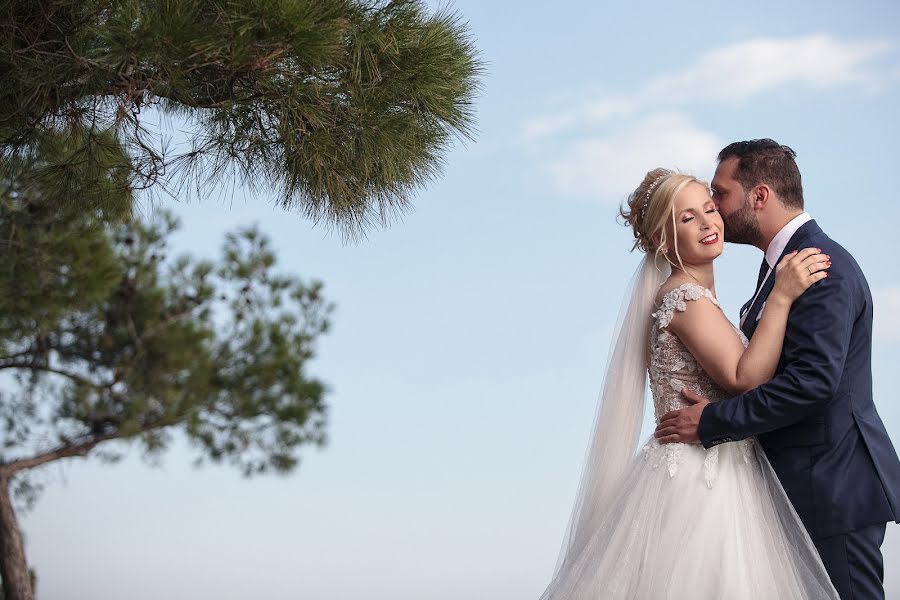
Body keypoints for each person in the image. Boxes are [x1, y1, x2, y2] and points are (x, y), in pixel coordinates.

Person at [539, 167, 838, 599]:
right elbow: (744, 377)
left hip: (715, 463)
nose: (707, 223)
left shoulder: (695, 299)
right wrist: (783, 296)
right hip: (701, 476)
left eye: (710, 209)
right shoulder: (686, 299)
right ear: (663, 239)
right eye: (686, 218)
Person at [655, 139, 900, 599]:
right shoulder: (780, 270)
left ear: (760, 196)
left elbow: (813, 384)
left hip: (831, 489)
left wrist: (712, 422)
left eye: (721, 195)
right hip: (799, 486)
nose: (716, 210)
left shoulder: (821, 266)